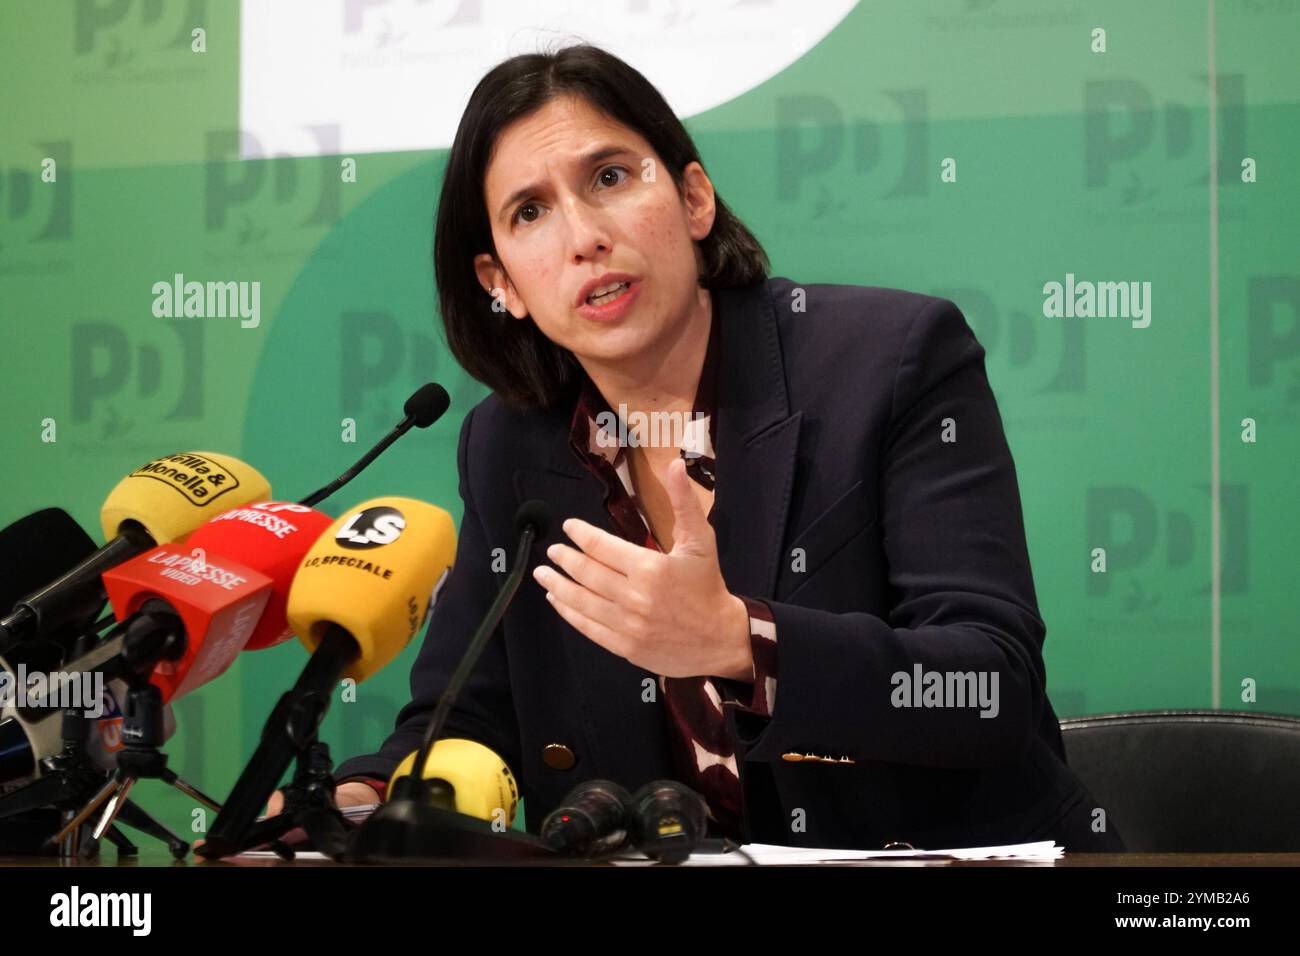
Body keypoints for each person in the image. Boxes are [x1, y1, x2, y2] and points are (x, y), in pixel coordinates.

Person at [267, 43, 1123, 851]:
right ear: (502, 285)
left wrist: (739, 641)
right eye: (530, 211)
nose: (582, 236)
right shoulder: (509, 443)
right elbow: (464, 717)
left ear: (693, 200)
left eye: (608, 177)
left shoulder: (891, 361)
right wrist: (358, 800)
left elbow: (989, 689)